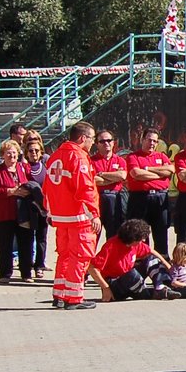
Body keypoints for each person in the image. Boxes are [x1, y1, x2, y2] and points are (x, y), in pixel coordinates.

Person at [44, 121, 103, 309]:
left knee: (64, 255)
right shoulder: (78, 157)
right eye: (92, 139)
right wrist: (94, 214)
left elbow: (47, 188)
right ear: (83, 138)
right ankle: (74, 298)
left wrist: (51, 212)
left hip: (61, 217)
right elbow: (85, 188)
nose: (93, 143)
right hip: (79, 216)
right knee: (81, 255)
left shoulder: (54, 156)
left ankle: (59, 295)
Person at [93, 218, 176, 302]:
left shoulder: (135, 245)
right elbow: (92, 268)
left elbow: (150, 251)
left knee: (151, 260)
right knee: (132, 275)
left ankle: (161, 286)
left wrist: (167, 264)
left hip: (131, 281)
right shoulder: (111, 246)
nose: (143, 241)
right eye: (141, 239)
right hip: (114, 284)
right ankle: (150, 293)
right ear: (132, 239)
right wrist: (105, 288)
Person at [0, 139, 32, 283]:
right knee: (4, 245)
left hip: (23, 213)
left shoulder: (24, 168)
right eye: (8, 153)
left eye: (14, 152)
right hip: (4, 214)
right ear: (2, 155)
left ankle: (26, 273)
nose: (11, 156)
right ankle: (5, 273)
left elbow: (33, 184)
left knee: (26, 243)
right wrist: (10, 191)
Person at [125, 129, 173, 257]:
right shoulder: (133, 157)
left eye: (155, 141)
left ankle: (162, 260)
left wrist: (147, 169)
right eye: (149, 140)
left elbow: (170, 170)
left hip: (160, 198)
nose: (152, 143)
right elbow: (136, 174)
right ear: (143, 139)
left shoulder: (161, 156)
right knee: (139, 233)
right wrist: (159, 175)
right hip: (140, 199)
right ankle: (141, 261)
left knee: (161, 232)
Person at [21, 133, 51, 278]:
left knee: (42, 238)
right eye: (31, 151)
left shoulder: (45, 165)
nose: (34, 153)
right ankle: (26, 268)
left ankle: (40, 265)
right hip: (28, 207)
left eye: (36, 151)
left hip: (44, 208)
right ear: (26, 153)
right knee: (27, 238)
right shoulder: (23, 167)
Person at [91, 129, 129, 240]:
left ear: (113, 143)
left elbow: (122, 176)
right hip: (97, 199)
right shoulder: (91, 160)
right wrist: (113, 178)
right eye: (102, 141)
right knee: (93, 236)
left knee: (114, 237)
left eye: (109, 140)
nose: (106, 143)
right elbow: (92, 180)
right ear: (96, 144)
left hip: (115, 199)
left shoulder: (120, 160)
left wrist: (102, 174)